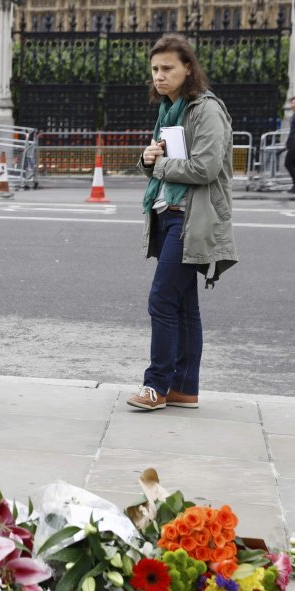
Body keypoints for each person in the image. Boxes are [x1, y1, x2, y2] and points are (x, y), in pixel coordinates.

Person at [126, 33, 238, 411]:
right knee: (183, 306)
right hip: (167, 214)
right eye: (155, 69)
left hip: (191, 217)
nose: (159, 76)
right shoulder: (169, 110)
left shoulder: (205, 110)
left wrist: (159, 164)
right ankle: (185, 388)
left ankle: (156, 385)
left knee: (161, 300)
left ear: (188, 68)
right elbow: (162, 167)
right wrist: (147, 159)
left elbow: (206, 167)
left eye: (168, 68)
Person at [283, 96, 295, 194]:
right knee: (291, 164)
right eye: (292, 103)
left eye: (294, 102)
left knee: (288, 163)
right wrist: (287, 143)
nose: (292, 104)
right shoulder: (293, 115)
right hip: (292, 143)